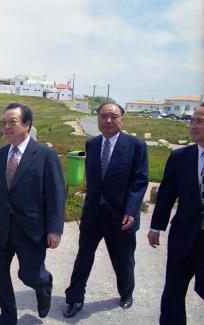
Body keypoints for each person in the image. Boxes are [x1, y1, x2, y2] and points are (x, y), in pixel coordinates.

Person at [63, 103, 149, 318]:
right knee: (83, 258)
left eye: (113, 116)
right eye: (104, 116)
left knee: (123, 259)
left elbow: (140, 181)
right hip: (93, 213)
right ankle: (74, 298)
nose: (108, 120)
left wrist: (131, 209)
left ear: (122, 119)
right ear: (98, 119)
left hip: (122, 216)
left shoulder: (136, 145)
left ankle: (126, 292)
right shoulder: (91, 144)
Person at [0, 103, 65, 324]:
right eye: (4, 122)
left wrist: (55, 230)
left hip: (31, 229)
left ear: (27, 125)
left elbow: (56, 194)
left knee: (29, 275)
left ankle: (43, 284)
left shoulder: (45, 155)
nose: (7, 126)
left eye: (13, 122)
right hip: (2, 227)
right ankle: (8, 316)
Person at [148, 104, 204, 324]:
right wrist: (155, 227)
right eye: (193, 120)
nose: (193, 126)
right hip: (183, 236)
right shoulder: (180, 157)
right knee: (172, 292)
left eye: (200, 121)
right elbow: (167, 194)